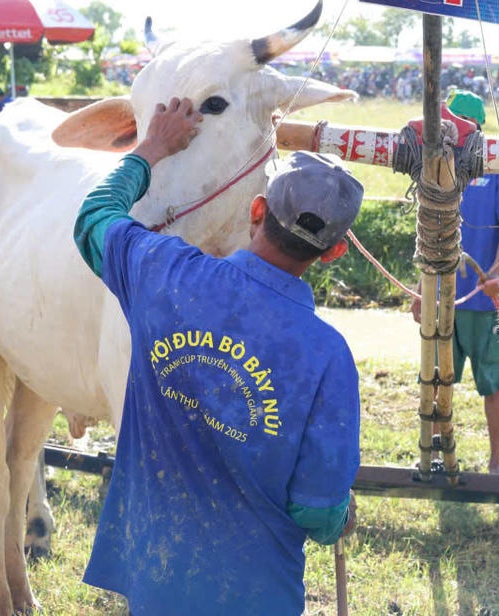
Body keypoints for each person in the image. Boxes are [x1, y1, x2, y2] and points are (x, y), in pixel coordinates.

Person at [73, 97, 363, 615]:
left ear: (257, 210)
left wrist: (152, 149)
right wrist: (340, 516)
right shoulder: (327, 356)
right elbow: (317, 509)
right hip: (256, 595)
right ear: (334, 251)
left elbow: (94, 216)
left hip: (157, 578)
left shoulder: (163, 273)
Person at [414, 89, 499, 475]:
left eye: (455, 126)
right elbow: (426, 230)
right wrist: (419, 291)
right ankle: (440, 456)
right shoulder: (436, 166)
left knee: (492, 384)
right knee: (439, 383)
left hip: (483, 299)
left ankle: (496, 462)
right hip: (441, 295)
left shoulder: (497, 168)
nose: (449, 134)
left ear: (473, 130)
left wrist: (495, 274)